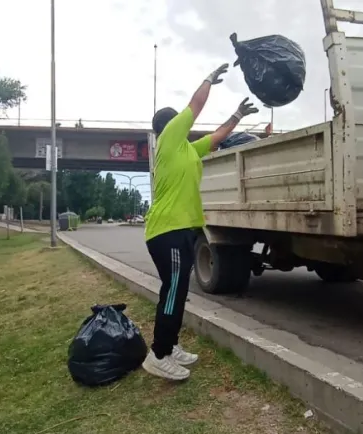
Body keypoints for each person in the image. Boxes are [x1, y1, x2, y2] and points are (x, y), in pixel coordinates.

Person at [141, 63, 259, 380]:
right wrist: (208, 80)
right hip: (168, 230)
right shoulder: (167, 141)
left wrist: (237, 116)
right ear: (170, 127)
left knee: (177, 292)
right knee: (173, 291)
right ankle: (159, 354)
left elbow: (217, 137)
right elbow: (195, 106)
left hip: (180, 231)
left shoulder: (188, 151)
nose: (187, 123)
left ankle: (170, 345)